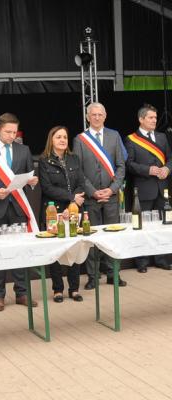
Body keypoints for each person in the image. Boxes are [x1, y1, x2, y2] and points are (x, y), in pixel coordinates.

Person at [0, 112, 39, 312]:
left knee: (21, 251)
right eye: (8, 132)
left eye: (14, 132)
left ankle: (22, 293)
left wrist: (32, 182)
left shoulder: (24, 150)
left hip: (19, 208)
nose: (12, 136)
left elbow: (29, 177)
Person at [73, 102, 127, 290]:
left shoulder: (114, 136)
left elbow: (121, 166)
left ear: (105, 116)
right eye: (93, 115)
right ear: (87, 117)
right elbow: (78, 170)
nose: (97, 117)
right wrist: (92, 192)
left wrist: (112, 189)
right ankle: (93, 277)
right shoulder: (80, 139)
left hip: (111, 196)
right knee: (92, 238)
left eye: (100, 114)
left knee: (113, 237)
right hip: (91, 197)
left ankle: (114, 274)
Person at [39, 126, 85, 302]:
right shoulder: (44, 161)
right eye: (58, 137)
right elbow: (47, 188)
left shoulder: (74, 159)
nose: (62, 140)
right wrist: (71, 197)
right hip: (53, 211)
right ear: (52, 140)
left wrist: (73, 202)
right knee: (56, 253)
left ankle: (74, 289)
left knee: (74, 247)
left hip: (73, 209)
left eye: (65, 137)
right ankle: (57, 289)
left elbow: (81, 182)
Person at [125, 104, 172, 272]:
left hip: (162, 188)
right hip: (143, 189)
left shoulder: (161, 137)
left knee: (162, 224)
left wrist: (167, 168)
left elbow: (170, 158)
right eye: (151, 117)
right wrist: (148, 170)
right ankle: (142, 261)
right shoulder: (131, 139)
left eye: (155, 117)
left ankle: (161, 259)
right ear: (141, 119)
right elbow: (129, 164)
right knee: (142, 226)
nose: (154, 120)